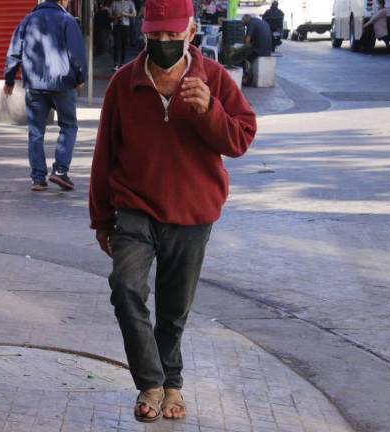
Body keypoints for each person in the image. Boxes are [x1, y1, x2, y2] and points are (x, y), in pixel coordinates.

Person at [90, 0, 256, 423]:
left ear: (190, 31)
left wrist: (209, 110)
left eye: (171, 34)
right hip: (134, 207)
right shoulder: (124, 83)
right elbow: (104, 153)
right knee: (125, 287)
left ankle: (172, 384)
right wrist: (100, 217)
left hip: (193, 211)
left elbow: (239, 140)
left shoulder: (214, 78)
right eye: (155, 34)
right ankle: (151, 382)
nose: (163, 42)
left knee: (174, 308)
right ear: (144, 32)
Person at [4, 0, 88, 192]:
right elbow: (76, 53)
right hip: (62, 84)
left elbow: (14, 52)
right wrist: (80, 77)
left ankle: (37, 178)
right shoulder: (67, 20)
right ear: (62, 0)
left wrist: (9, 80)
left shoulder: (27, 20)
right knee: (68, 125)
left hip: (34, 85)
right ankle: (60, 171)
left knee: (36, 132)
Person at [241, 14, 273, 83]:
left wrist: (242, 48)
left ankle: (246, 77)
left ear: (246, 19)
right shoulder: (262, 22)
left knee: (242, 56)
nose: (245, 25)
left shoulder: (251, 23)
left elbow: (247, 39)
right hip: (268, 51)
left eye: (244, 23)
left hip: (259, 51)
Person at [111, 0, 138, 70]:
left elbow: (134, 14)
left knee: (124, 45)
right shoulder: (114, 3)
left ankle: (122, 63)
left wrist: (124, 14)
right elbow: (110, 15)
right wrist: (115, 16)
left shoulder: (130, 3)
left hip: (125, 25)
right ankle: (115, 63)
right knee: (116, 44)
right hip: (116, 25)